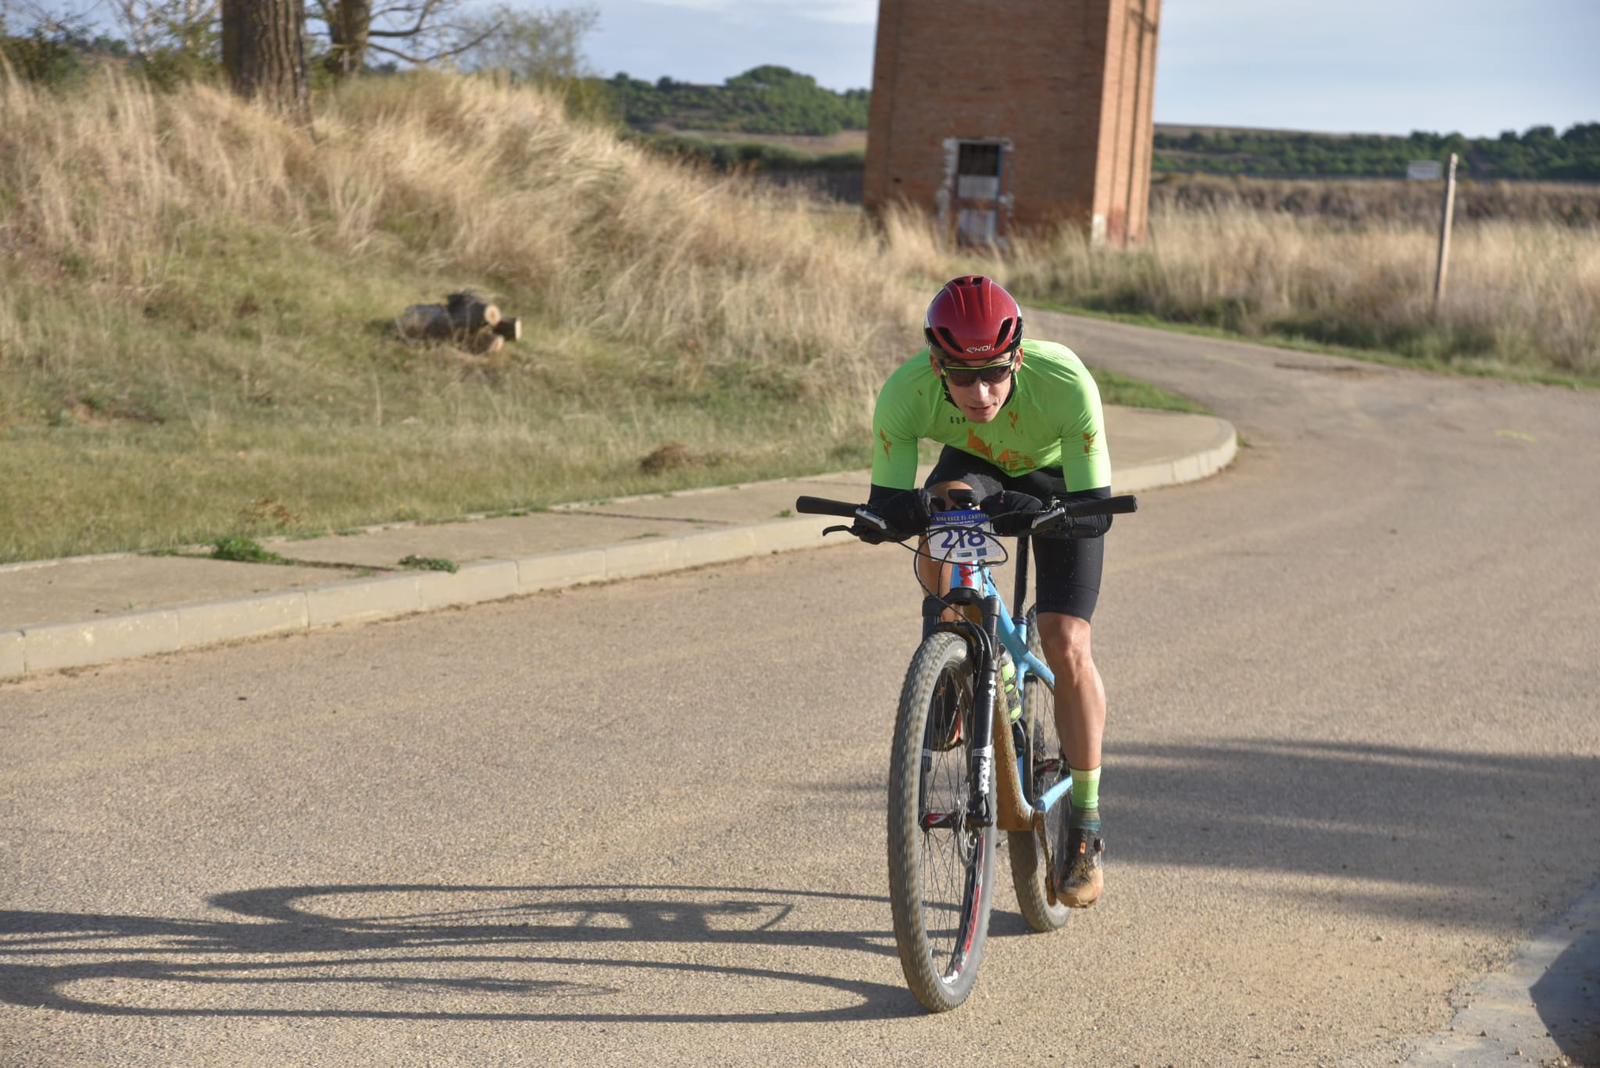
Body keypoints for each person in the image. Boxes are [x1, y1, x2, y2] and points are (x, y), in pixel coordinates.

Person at [863, 275, 1114, 908]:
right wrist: (889, 516)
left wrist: (1041, 508)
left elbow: (1094, 511)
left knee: (1066, 640)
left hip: (1058, 482)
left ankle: (1085, 825)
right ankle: (956, 666)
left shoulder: (1066, 382)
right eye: (963, 378)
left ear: (1018, 359)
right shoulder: (906, 392)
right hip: (976, 469)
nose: (980, 393)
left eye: (996, 374)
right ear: (936, 365)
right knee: (938, 522)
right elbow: (887, 503)